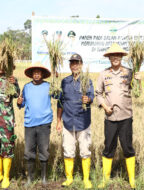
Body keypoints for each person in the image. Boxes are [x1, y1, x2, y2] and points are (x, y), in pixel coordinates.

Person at [96, 43, 141, 189]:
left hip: (126, 117)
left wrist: (139, 81)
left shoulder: (129, 72)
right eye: (112, 55)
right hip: (110, 118)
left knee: (127, 147)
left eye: (118, 55)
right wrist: (104, 106)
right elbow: (98, 93)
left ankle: (132, 179)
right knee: (109, 147)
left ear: (121, 57)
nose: (115, 58)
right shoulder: (103, 74)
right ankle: (105, 179)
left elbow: (137, 93)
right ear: (109, 58)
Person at [56, 53, 94, 189]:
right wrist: (58, 121)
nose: (75, 65)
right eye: (72, 63)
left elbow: (91, 96)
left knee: (85, 151)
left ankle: (86, 179)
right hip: (67, 122)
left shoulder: (87, 81)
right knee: (68, 150)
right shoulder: (64, 81)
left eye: (77, 62)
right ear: (70, 65)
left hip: (83, 122)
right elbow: (60, 102)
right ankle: (69, 178)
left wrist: (88, 100)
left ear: (81, 64)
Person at [17, 62, 53, 186]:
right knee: (29, 151)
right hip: (30, 124)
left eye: (39, 72)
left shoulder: (49, 86)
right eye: (34, 72)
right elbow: (21, 104)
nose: (36, 74)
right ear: (32, 74)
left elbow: (58, 95)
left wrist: (56, 82)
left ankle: (43, 178)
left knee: (44, 150)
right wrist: (19, 102)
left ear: (42, 74)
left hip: (44, 123)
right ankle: (30, 179)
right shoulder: (26, 87)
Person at [0, 68, 20, 189]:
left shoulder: (10, 80)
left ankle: (6, 176)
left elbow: (17, 94)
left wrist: (14, 83)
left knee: (7, 148)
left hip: (6, 122)